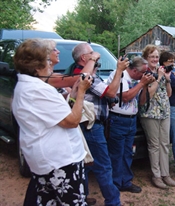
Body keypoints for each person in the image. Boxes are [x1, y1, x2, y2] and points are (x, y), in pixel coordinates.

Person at [12, 38, 91, 205]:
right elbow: (72, 121)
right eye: (48, 59)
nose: (51, 62)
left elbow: (56, 111)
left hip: (48, 160)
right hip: (59, 162)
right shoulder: (37, 90)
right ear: (37, 65)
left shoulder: (30, 86)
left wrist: (74, 94)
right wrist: (82, 92)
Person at [70, 43, 128, 206]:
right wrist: (119, 70)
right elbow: (110, 92)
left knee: (85, 164)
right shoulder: (87, 76)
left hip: (84, 124)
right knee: (103, 166)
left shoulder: (78, 72)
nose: (97, 55)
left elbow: (106, 96)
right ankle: (113, 201)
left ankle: (82, 196)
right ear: (84, 58)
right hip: (91, 126)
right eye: (92, 53)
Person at [106, 57, 153, 193]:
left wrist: (144, 86)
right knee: (116, 154)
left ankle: (125, 181)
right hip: (118, 119)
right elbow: (125, 97)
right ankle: (115, 184)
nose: (143, 75)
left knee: (128, 153)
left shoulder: (138, 80)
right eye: (142, 72)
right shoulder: (119, 75)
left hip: (131, 119)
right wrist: (141, 84)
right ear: (133, 70)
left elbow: (142, 102)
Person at [139, 46, 175, 189]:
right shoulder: (145, 73)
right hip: (150, 113)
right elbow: (148, 94)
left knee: (165, 143)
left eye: (156, 57)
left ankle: (166, 174)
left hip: (164, 111)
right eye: (151, 57)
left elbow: (169, 94)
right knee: (154, 145)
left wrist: (167, 80)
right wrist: (159, 77)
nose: (155, 59)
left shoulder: (160, 71)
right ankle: (157, 175)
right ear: (146, 58)